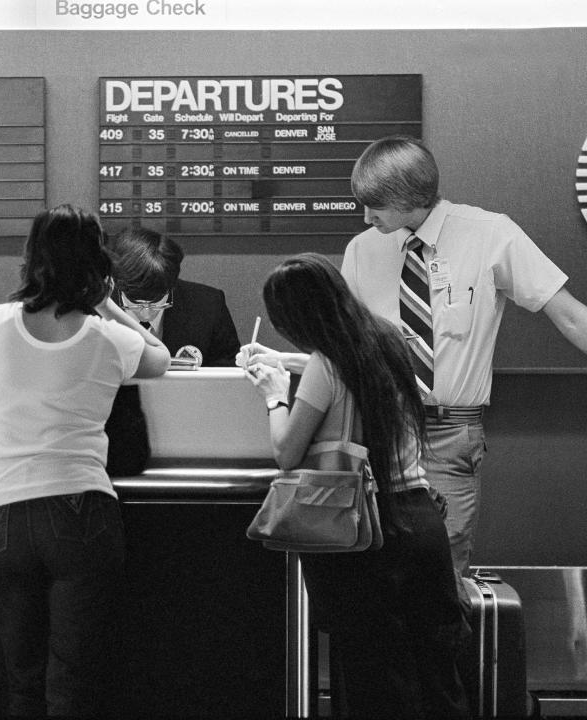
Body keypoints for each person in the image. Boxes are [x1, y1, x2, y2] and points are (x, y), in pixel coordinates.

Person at [246, 135, 587, 578]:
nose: (367, 217)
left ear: (412, 198)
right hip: (377, 430)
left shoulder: (490, 234)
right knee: (372, 567)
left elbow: (572, 318)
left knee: (443, 568)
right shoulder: (363, 249)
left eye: (378, 206)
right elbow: (353, 352)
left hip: (449, 433)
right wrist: (287, 362)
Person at [0, 204, 170, 717]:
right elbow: (160, 360)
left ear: (31, 259)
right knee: (72, 681)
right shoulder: (108, 336)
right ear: (98, 265)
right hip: (82, 512)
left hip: (3, 515)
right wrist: (111, 307)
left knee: (23, 679)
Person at [241, 253, 470, 719]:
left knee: (376, 676)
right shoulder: (387, 340)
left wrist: (274, 395)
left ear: (298, 318)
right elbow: (349, 368)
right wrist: (287, 359)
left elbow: (287, 452)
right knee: (436, 667)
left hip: (363, 532)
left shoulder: (327, 366)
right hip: (422, 523)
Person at [107, 227, 240, 367]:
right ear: (117, 283)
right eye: (135, 303)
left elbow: (229, 372)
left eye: (156, 302)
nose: (146, 313)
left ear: (171, 285)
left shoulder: (208, 305)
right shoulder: (94, 309)